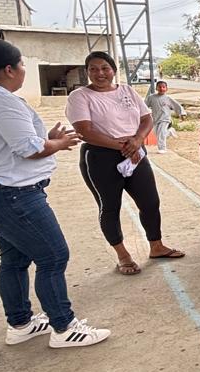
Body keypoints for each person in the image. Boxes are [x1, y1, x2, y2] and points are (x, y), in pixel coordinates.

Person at [0, 39, 110, 349]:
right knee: (53, 256)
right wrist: (57, 144)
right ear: (9, 69)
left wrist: (45, 138)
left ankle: (20, 323)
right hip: (12, 196)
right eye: (22, 64)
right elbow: (29, 149)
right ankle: (64, 327)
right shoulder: (1, 102)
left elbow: (9, 143)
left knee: (15, 258)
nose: (24, 69)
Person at [66, 50, 184, 275]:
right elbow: (85, 131)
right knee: (110, 207)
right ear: (87, 72)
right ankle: (123, 255)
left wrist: (138, 141)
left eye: (105, 68)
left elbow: (146, 118)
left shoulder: (127, 90)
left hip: (135, 152)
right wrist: (124, 147)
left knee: (150, 202)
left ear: (113, 70)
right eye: (93, 69)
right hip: (101, 156)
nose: (100, 73)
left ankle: (156, 246)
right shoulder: (79, 96)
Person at [145, 79, 184, 154]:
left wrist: (182, 113)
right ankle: (169, 132)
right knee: (157, 133)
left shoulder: (168, 98)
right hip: (155, 119)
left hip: (165, 119)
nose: (161, 88)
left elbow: (176, 105)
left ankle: (162, 148)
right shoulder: (151, 98)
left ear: (166, 89)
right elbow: (144, 105)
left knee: (161, 133)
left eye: (163, 87)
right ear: (156, 88)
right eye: (159, 87)